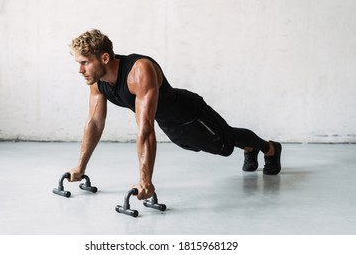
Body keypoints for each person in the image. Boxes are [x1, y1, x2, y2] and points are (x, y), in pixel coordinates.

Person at [67, 29, 282, 200]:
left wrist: (145, 181)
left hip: (191, 113)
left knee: (224, 145)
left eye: (84, 62)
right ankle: (249, 147)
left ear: (104, 58)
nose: (80, 70)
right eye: (78, 63)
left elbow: (145, 129)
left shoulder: (139, 70)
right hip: (169, 123)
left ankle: (270, 149)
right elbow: (95, 122)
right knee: (196, 145)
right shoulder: (98, 82)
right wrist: (80, 166)